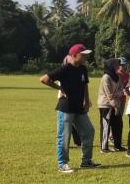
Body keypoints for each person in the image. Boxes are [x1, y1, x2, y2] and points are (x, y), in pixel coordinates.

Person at [39, 44, 101, 173]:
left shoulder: (83, 69)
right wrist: (59, 88)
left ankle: (86, 161)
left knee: (89, 131)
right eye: (83, 54)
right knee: (64, 136)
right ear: (74, 56)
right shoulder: (65, 69)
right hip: (65, 108)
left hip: (79, 107)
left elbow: (85, 85)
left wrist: (87, 99)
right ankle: (62, 164)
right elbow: (44, 79)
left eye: (86, 54)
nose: (85, 57)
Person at [97, 58, 124, 153]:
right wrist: (115, 106)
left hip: (115, 103)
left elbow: (122, 90)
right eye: (117, 64)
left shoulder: (118, 76)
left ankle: (118, 146)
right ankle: (104, 148)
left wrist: (116, 95)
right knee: (106, 126)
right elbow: (109, 95)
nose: (119, 66)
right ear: (111, 66)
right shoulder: (106, 77)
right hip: (106, 105)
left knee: (118, 125)